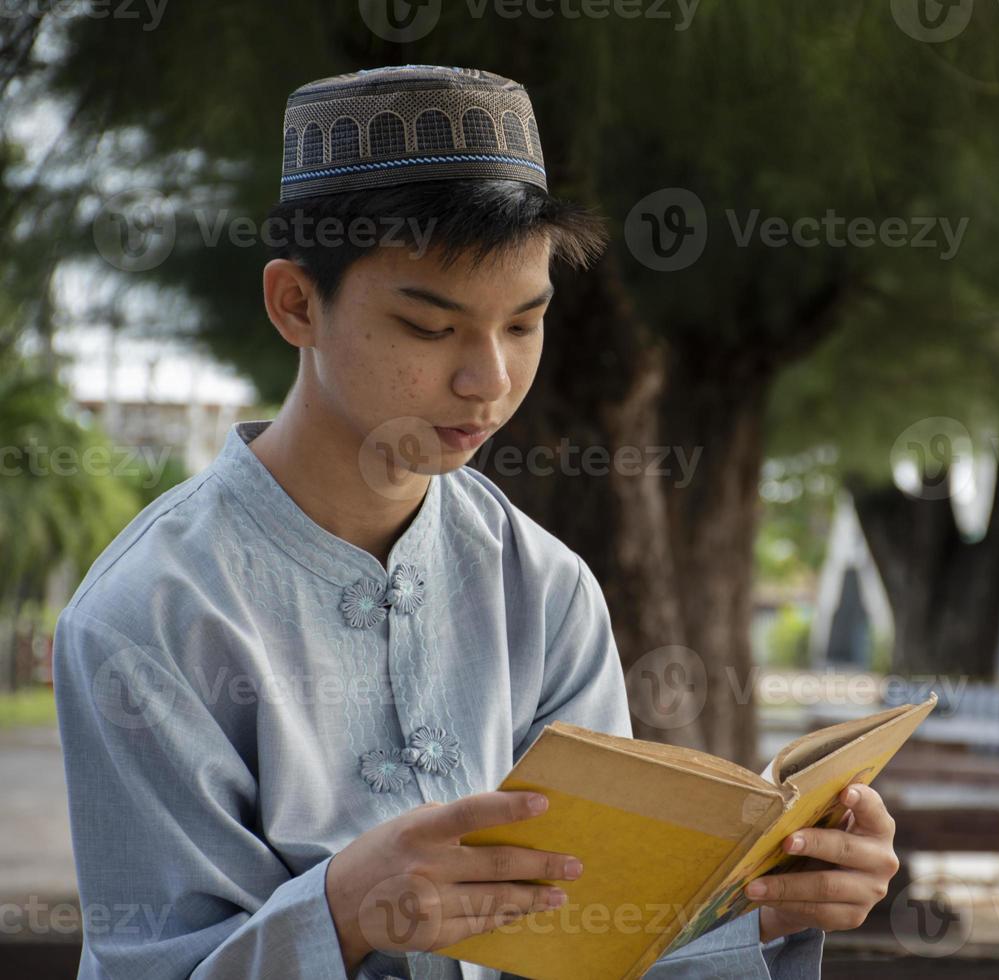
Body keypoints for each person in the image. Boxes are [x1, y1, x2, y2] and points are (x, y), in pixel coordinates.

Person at [53, 65, 900, 980]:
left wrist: (768, 905)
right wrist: (340, 912)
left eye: (525, 325)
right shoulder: (150, 618)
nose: (489, 380)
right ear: (297, 304)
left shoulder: (543, 588)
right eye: (430, 328)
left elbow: (595, 941)